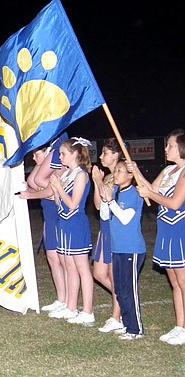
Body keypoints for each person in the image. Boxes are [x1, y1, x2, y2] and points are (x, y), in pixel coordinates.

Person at [127, 128, 185, 345]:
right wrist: (137, 173)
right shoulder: (169, 170)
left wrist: (150, 194)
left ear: (181, 147)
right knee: (174, 282)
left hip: (180, 231)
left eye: (170, 145)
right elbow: (151, 188)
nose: (166, 148)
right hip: (167, 231)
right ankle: (180, 326)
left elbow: (174, 203)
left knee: (183, 281)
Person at [18, 134, 68, 314]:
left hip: (57, 214)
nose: (33, 157)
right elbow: (34, 184)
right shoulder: (42, 169)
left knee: (63, 259)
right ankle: (61, 298)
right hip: (48, 214)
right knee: (52, 258)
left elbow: (50, 190)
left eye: (36, 153)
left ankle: (68, 301)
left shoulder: (55, 164)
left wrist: (30, 194)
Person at [48, 137, 95, 326]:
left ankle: (88, 311)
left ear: (75, 154)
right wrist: (55, 190)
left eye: (63, 154)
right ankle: (71, 306)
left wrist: (59, 187)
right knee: (68, 265)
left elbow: (74, 205)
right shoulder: (67, 174)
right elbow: (60, 204)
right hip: (64, 224)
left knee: (82, 267)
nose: (60, 157)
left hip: (76, 224)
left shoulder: (81, 175)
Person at [99, 160, 145, 340]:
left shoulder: (134, 194)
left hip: (131, 248)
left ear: (130, 176)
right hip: (117, 248)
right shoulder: (116, 192)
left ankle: (136, 329)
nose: (115, 174)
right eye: (115, 170)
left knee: (128, 290)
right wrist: (105, 199)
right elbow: (105, 215)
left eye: (120, 171)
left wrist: (110, 201)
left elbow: (125, 218)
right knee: (119, 289)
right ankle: (127, 324)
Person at [91, 138, 124, 333]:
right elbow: (97, 204)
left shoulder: (121, 177)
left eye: (105, 153)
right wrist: (98, 182)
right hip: (105, 227)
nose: (101, 156)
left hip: (115, 227)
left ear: (116, 155)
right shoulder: (108, 178)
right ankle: (125, 300)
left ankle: (117, 316)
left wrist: (98, 181)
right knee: (99, 273)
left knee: (113, 274)